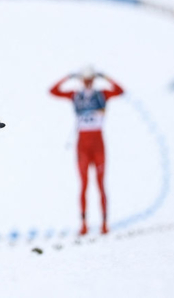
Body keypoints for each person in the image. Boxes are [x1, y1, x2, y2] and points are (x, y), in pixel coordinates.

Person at [49, 66, 124, 235]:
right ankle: (83, 224)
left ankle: (105, 223)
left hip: (98, 144)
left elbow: (120, 91)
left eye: (91, 80)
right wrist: (68, 76)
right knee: (83, 185)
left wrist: (105, 75)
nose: (88, 83)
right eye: (85, 80)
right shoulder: (76, 95)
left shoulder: (101, 95)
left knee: (100, 184)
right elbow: (53, 91)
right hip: (82, 145)